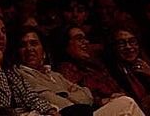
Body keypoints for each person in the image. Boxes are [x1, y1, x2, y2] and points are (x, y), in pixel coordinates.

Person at [12, 26, 140, 116]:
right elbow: (55, 101)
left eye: (34, 44)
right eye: (23, 45)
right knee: (126, 104)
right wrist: (70, 93)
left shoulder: (54, 75)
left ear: (44, 52)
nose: (29, 49)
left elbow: (87, 96)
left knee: (125, 103)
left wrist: (65, 94)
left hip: (86, 111)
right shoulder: (21, 75)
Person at [102, 23, 150, 116]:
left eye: (132, 41)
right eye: (121, 43)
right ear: (113, 47)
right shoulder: (109, 70)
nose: (129, 47)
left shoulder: (146, 64)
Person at [49, 26, 133, 110]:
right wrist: (102, 101)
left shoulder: (92, 66)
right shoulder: (64, 70)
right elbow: (74, 99)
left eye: (85, 38)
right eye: (79, 38)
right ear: (64, 44)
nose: (86, 42)